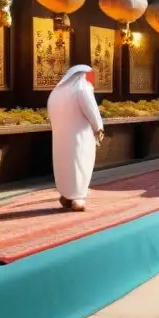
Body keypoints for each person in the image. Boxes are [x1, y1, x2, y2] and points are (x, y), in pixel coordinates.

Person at [48, 65, 104, 211]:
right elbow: (91, 109)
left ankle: (66, 195)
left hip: (61, 138)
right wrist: (98, 127)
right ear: (82, 75)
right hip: (80, 137)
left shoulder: (56, 92)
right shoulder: (81, 88)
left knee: (65, 165)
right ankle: (77, 198)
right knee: (79, 164)